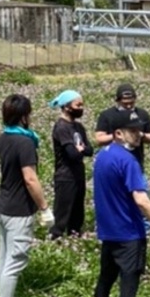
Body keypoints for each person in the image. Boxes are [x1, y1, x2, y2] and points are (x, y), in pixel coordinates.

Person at [93, 108, 150, 297]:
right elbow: (141, 199)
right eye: (132, 131)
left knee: (106, 276)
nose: (138, 134)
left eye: (139, 130)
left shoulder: (103, 156)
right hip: (129, 231)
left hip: (108, 230)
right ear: (118, 133)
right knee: (130, 278)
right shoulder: (128, 161)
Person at [0, 94, 53, 297]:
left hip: (4, 205)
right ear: (24, 115)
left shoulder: (4, 137)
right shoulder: (25, 142)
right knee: (15, 260)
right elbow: (30, 178)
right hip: (19, 209)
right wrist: (44, 207)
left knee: (4, 257)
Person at [48, 89, 93, 238]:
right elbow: (72, 154)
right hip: (65, 176)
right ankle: (56, 240)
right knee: (62, 214)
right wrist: (80, 149)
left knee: (77, 214)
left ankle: (75, 237)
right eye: (78, 105)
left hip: (79, 175)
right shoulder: (61, 127)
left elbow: (90, 150)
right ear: (67, 106)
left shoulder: (79, 127)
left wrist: (81, 149)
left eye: (82, 105)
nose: (81, 108)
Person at [94, 82, 150, 170]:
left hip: (136, 162)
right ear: (118, 100)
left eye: (131, 103)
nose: (129, 106)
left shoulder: (142, 114)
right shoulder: (107, 115)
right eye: (125, 103)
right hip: (114, 164)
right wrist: (122, 135)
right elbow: (99, 139)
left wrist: (140, 135)